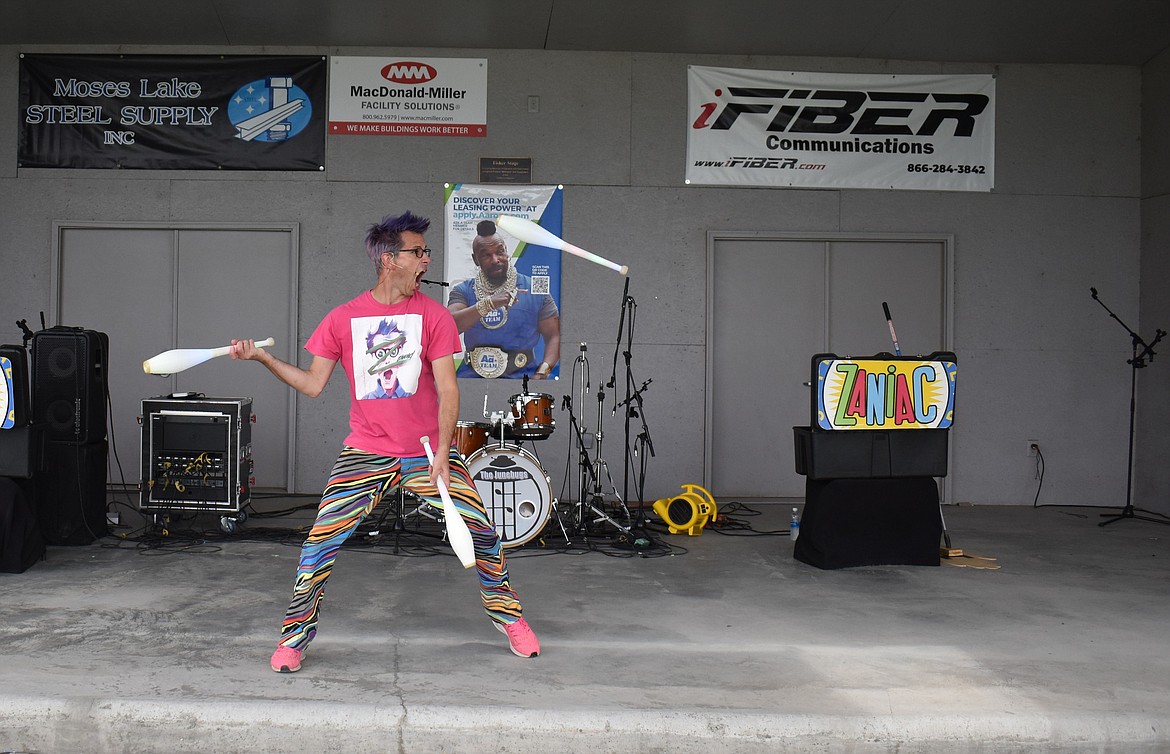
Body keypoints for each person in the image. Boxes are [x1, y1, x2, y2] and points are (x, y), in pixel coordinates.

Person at [230, 210, 540, 673]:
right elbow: (314, 384)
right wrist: (263, 359)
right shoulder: (343, 318)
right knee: (319, 543)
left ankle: (508, 618)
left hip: (427, 451)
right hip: (366, 451)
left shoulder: (434, 315)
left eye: (426, 252)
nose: (426, 260)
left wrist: (442, 451)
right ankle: (293, 639)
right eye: (419, 252)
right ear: (389, 260)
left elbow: (449, 389)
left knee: (482, 531)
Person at [448, 219, 561, 379]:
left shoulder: (535, 288)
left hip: (522, 380)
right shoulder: (463, 290)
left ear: (507, 252)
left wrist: (543, 372)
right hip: (472, 379)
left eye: (500, 252)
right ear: (475, 260)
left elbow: (554, 335)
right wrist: (488, 304)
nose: (495, 260)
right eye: (486, 255)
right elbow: (450, 325)